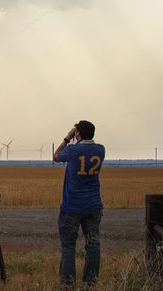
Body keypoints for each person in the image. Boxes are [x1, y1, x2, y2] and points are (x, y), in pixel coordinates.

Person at [52, 120, 105, 288]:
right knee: (93, 244)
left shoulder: (73, 150)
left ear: (78, 134)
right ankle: (91, 282)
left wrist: (67, 139)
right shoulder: (100, 150)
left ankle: (68, 283)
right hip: (93, 205)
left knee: (68, 246)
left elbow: (55, 156)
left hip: (72, 206)